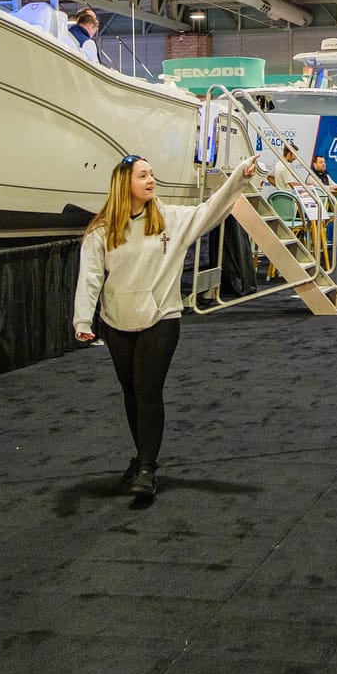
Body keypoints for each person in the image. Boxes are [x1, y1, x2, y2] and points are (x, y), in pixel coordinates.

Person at [74, 152, 259, 500]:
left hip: (161, 318)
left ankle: (146, 467)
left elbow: (210, 210)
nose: (151, 180)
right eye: (143, 175)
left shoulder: (170, 220)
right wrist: (83, 319)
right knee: (131, 392)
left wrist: (239, 177)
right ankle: (141, 457)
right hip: (116, 321)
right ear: (124, 183)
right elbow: (90, 277)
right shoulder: (101, 230)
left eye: (152, 174)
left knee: (148, 391)